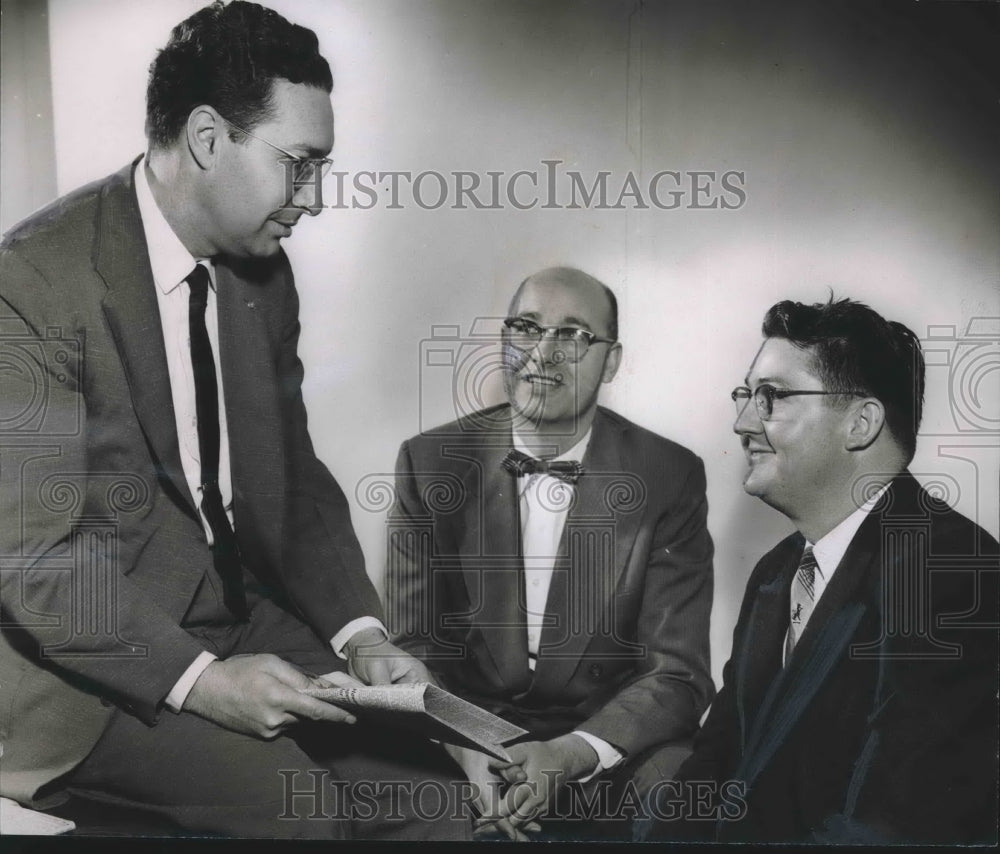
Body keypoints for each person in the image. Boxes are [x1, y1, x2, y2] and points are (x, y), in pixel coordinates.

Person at [0, 1, 470, 840]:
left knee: (431, 795)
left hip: (235, 617)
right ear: (209, 138)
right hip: (80, 677)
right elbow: (35, 562)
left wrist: (361, 634)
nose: (316, 199)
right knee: (302, 813)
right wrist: (204, 681)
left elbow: (292, 473)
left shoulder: (263, 277)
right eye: (301, 164)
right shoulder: (30, 284)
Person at [639, 297, 999, 844]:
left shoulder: (952, 570)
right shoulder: (775, 573)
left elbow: (893, 828)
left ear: (861, 422)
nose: (741, 423)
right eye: (745, 396)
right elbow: (714, 770)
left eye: (772, 398)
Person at [387, 266, 715, 839]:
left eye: (573, 335)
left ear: (611, 361)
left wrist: (570, 755)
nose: (543, 352)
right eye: (526, 327)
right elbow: (415, 650)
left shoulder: (669, 475)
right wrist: (473, 752)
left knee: (678, 793)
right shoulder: (430, 461)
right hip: (467, 736)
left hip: (603, 740)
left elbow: (677, 674)